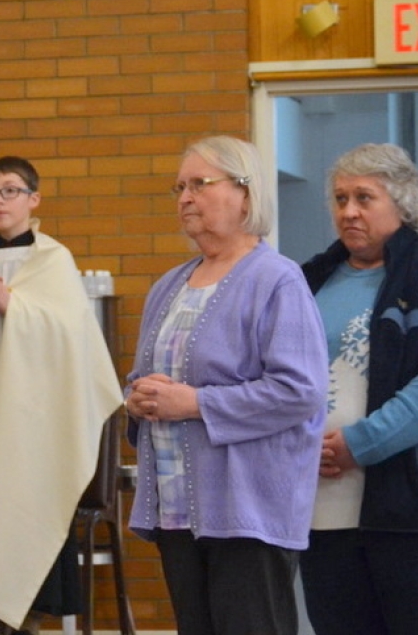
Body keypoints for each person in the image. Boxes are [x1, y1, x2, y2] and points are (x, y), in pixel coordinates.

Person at [124, 135, 327, 635]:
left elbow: (299, 391)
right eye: (179, 187)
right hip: (178, 509)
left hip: (247, 510)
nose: (185, 197)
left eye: (199, 184)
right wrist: (139, 397)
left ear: (245, 194)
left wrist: (193, 403)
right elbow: (146, 375)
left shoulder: (277, 280)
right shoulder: (168, 284)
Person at [0, 156, 123, 635]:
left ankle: (27, 621)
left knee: (27, 512)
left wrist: (14, 308)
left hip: (35, 431)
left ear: (33, 199)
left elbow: (74, 342)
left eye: (9, 190)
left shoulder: (54, 260)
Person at [297, 143, 418, 635]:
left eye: (364, 198)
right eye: (340, 198)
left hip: (403, 508)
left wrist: (360, 444)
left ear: (403, 202)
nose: (348, 211)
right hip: (319, 509)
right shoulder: (307, 280)